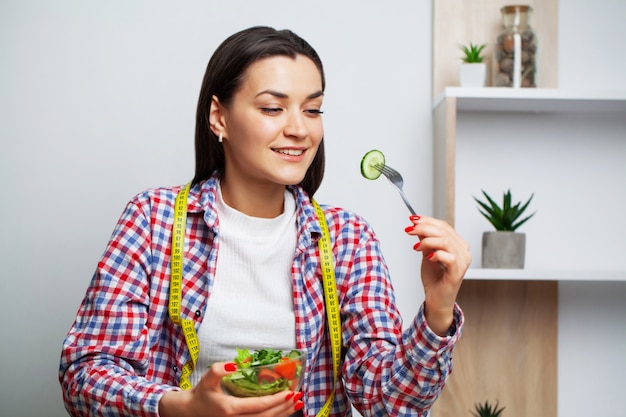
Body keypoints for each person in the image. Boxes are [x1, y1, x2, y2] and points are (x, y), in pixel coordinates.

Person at [59, 26, 471, 417]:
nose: (298, 129)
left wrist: (437, 311)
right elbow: (84, 376)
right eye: (273, 108)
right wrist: (181, 407)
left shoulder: (348, 239)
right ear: (219, 117)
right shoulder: (154, 221)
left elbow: (389, 404)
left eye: (312, 109)